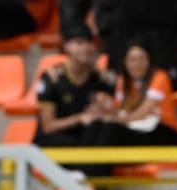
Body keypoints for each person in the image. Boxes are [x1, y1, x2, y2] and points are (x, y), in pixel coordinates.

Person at [32, 24, 115, 177]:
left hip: (86, 138)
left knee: (105, 140)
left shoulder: (101, 79)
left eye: (88, 43)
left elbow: (113, 113)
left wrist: (105, 108)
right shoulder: (52, 78)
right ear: (66, 46)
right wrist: (79, 119)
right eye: (79, 43)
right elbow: (48, 126)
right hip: (57, 139)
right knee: (86, 153)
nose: (85, 48)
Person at [89, 40, 177, 147]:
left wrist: (110, 119)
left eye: (141, 59)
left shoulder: (159, 77)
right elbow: (120, 110)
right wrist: (104, 105)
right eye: (132, 60)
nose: (137, 64)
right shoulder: (123, 81)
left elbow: (141, 114)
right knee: (95, 126)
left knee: (110, 130)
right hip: (134, 128)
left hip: (161, 132)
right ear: (124, 62)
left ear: (149, 60)